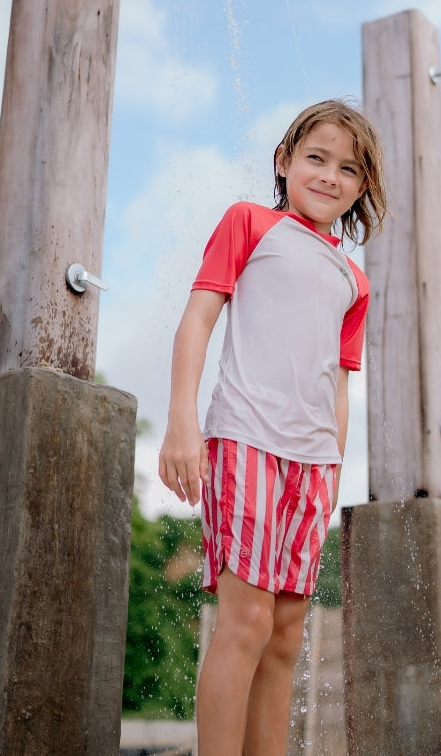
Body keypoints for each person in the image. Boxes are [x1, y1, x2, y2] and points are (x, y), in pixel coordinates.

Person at [158, 99, 387, 756]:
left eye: (347, 169)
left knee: (288, 632)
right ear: (284, 162)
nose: (329, 176)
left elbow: (340, 384)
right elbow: (198, 319)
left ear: (361, 187)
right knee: (247, 622)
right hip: (244, 440)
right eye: (316, 158)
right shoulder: (249, 223)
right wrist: (182, 423)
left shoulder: (355, 280)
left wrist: (333, 469)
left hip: (313, 463)